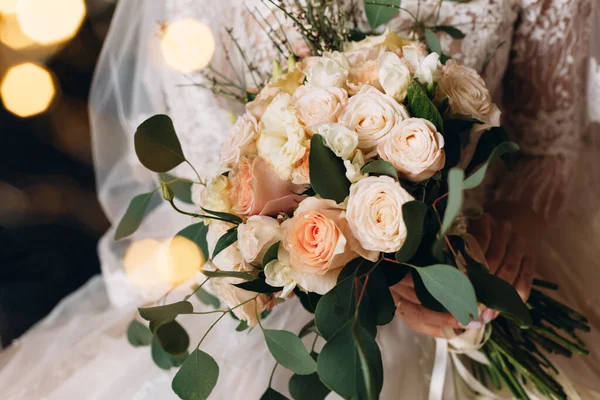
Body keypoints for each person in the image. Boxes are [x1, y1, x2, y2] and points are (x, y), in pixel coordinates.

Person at [1, 0, 599, 398]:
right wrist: (376, 265)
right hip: (296, 297)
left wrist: (505, 241)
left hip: (488, 253)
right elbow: (217, 168)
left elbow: (547, 143)